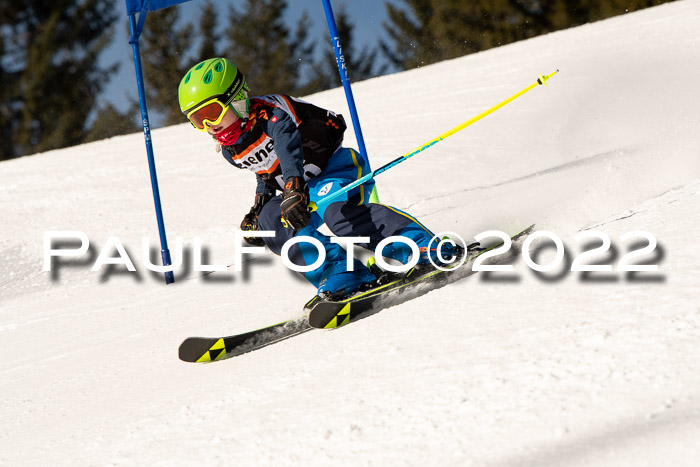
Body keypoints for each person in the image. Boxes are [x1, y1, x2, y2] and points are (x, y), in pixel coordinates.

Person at [178, 57, 459, 299]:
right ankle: (342, 273)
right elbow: (265, 171)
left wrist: (293, 188)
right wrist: (259, 205)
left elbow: (287, 149)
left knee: (336, 211)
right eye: (196, 120)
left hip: (334, 168)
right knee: (271, 221)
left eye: (211, 113)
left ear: (236, 98)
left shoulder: (272, 114)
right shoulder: (232, 151)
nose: (208, 127)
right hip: (298, 189)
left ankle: (421, 247)